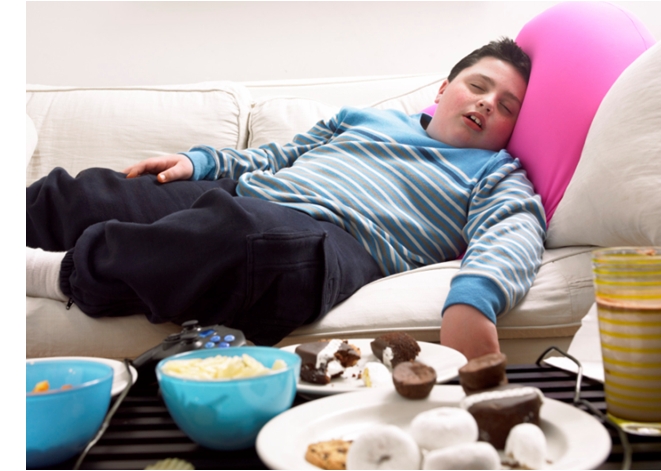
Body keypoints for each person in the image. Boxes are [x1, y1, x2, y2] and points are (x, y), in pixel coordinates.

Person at [26, 37, 545, 360]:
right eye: (477, 86)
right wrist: (200, 163)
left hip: (335, 238)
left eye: (506, 107)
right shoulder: (364, 119)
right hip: (243, 192)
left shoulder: (498, 173)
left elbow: (513, 234)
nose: (486, 103)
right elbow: (277, 154)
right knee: (86, 191)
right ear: (444, 87)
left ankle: (57, 274)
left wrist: (475, 301)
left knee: (249, 243)